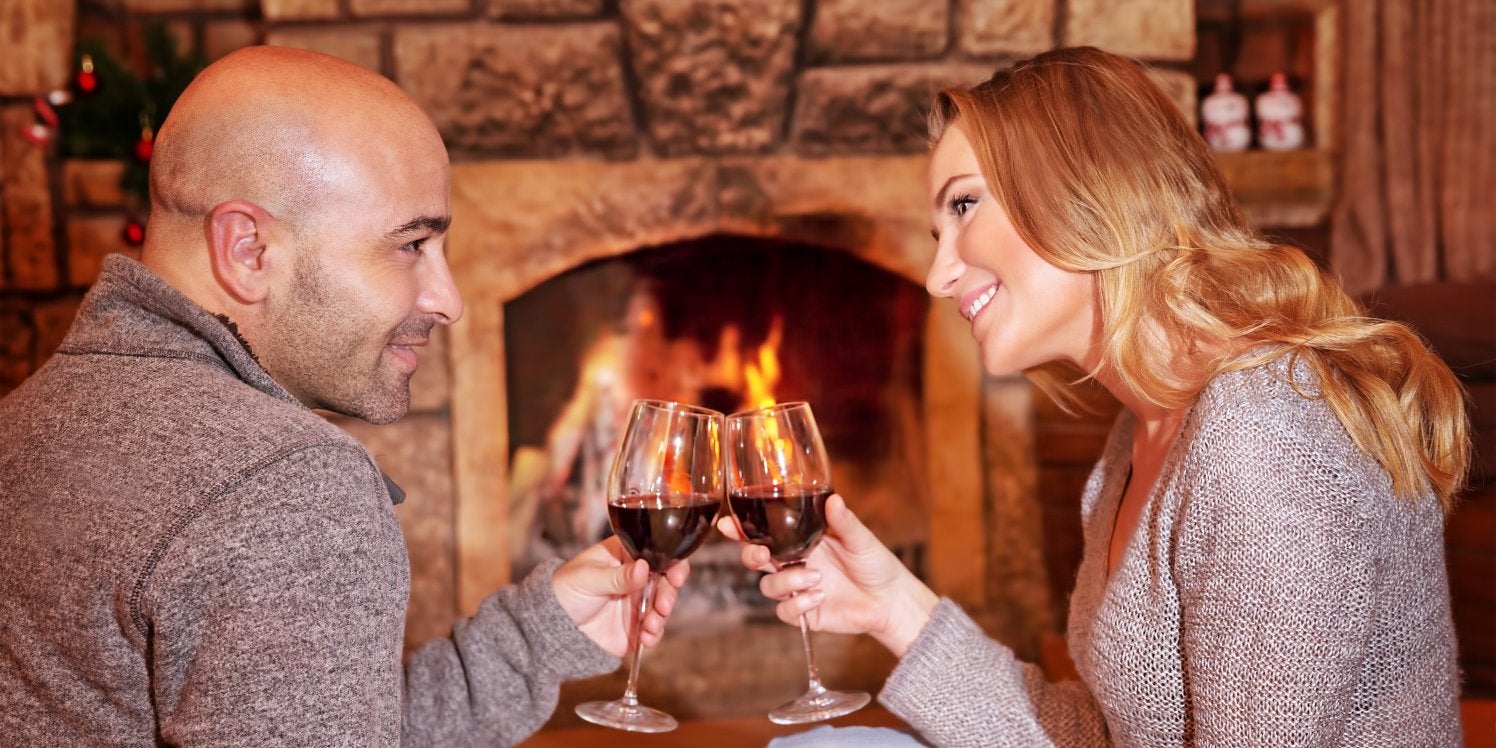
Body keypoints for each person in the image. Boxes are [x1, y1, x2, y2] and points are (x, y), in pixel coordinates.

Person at [729, 47, 1470, 747]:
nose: (938, 275)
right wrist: (892, 605)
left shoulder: (1264, 432)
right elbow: (1101, 734)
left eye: (962, 208)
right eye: (934, 231)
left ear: (1081, 186)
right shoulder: (1144, 433)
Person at [0, 47, 689, 746]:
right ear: (248, 249)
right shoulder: (286, 484)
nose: (448, 301)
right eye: (412, 244)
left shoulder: (26, 423)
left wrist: (533, 640)